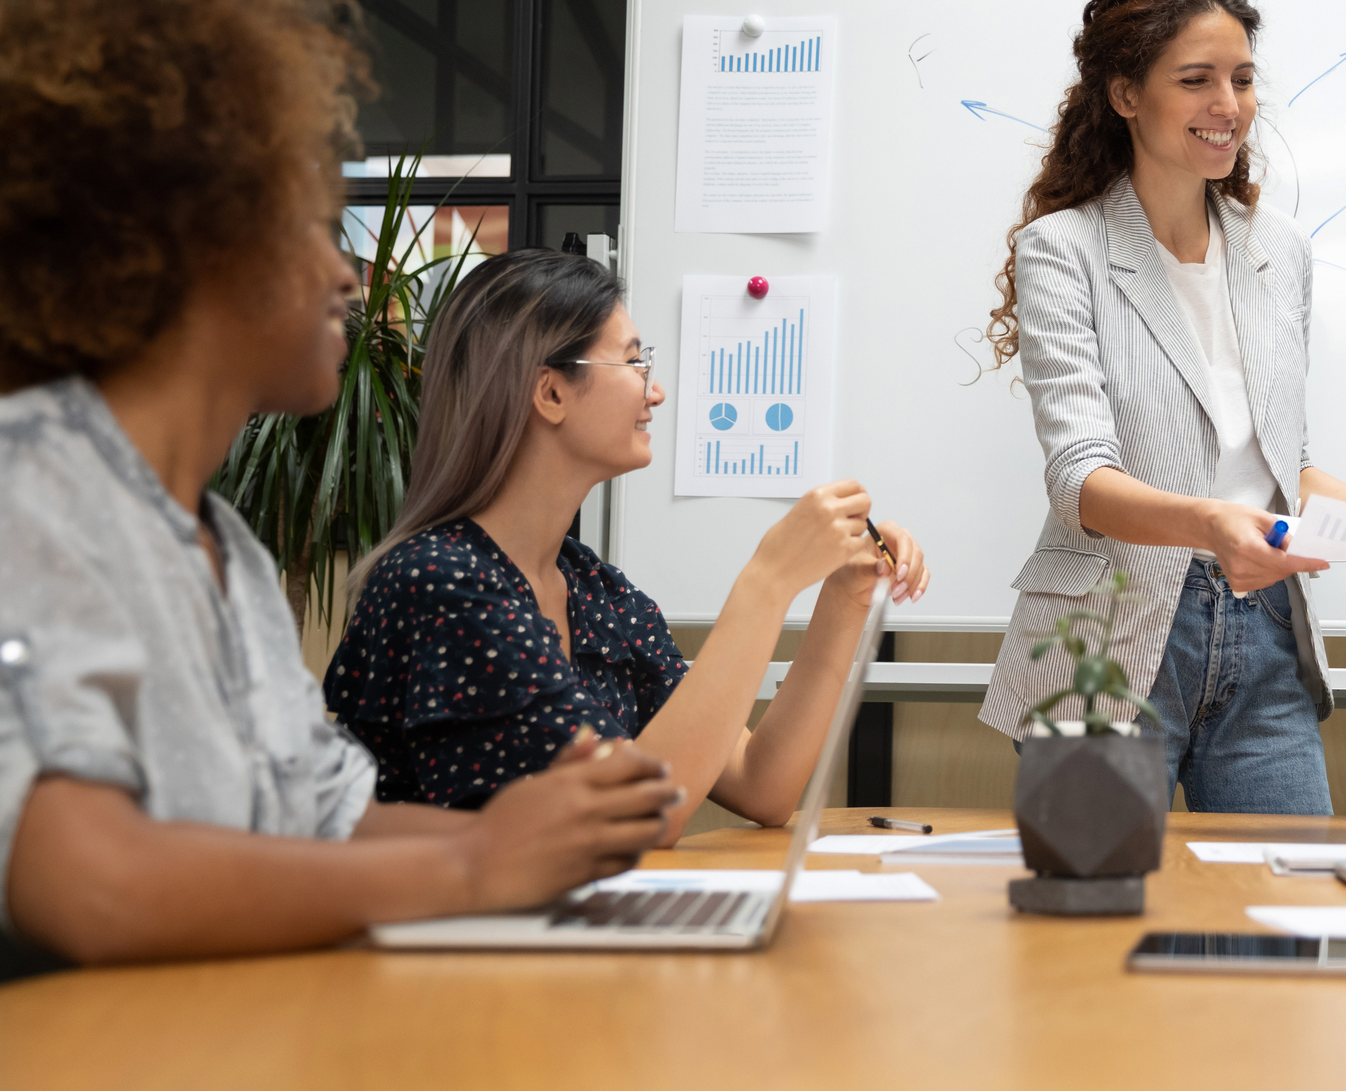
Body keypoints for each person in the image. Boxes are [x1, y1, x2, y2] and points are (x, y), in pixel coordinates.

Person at [0, 0, 681, 997]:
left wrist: (542, 837)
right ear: (192, 243)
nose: (342, 274)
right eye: (310, 227)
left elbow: (333, 822)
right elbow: (85, 880)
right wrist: (471, 862)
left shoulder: (220, 544)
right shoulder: (1, 480)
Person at [974, 0, 1346, 815]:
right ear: (1126, 94)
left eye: (1242, 79)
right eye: (1197, 79)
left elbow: (1285, 466)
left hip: (1264, 631)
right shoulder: (1064, 249)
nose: (1229, 107)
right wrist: (1210, 522)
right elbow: (1079, 481)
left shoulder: (1277, 249)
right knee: (1087, 927)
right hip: (1108, 632)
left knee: (1281, 921)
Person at [325, 249, 930, 835]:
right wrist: (768, 580)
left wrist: (843, 599)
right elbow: (636, 816)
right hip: (448, 937)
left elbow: (761, 785)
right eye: (635, 363)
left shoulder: (598, 593)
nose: (656, 392)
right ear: (551, 392)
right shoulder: (440, 584)